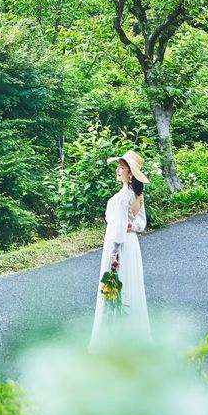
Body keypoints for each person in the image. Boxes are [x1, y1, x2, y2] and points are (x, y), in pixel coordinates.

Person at [89, 149, 151, 349]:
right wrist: (132, 226)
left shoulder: (124, 197)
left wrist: (113, 255)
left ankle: (113, 338)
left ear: (130, 173)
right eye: (118, 167)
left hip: (121, 245)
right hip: (131, 243)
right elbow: (141, 223)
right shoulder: (137, 194)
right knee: (130, 284)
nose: (118, 170)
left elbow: (119, 230)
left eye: (122, 167)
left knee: (116, 285)